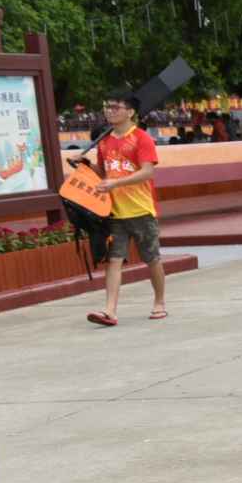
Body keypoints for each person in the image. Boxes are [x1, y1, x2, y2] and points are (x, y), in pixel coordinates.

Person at [80, 90, 167, 327]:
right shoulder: (104, 140)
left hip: (141, 210)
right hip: (114, 212)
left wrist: (116, 183)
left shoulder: (141, 138)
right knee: (114, 260)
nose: (110, 111)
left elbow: (147, 172)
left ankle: (159, 301)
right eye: (107, 107)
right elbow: (104, 172)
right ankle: (109, 311)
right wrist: (86, 165)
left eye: (115, 107)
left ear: (130, 112)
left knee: (152, 259)